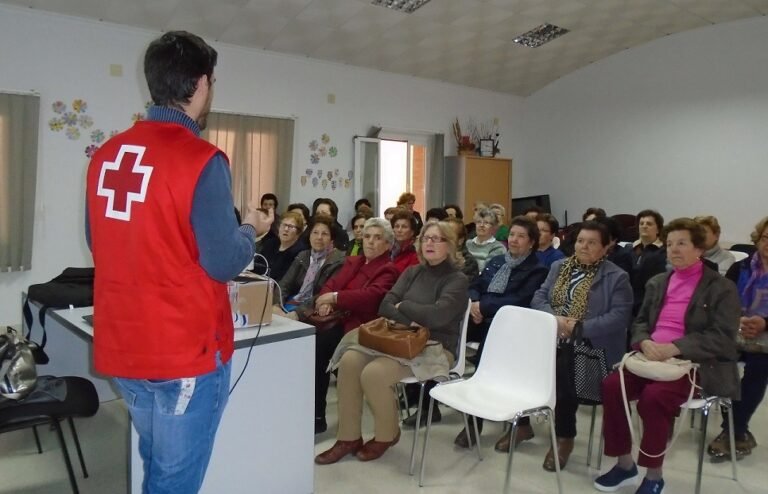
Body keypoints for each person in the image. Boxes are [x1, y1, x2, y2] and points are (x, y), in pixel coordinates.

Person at [84, 31, 273, 494]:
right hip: (182, 353)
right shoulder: (201, 159)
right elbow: (223, 262)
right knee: (174, 482)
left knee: (157, 464)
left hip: (124, 347)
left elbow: (99, 241)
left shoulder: (106, 155)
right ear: (202, 83)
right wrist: (251, 228)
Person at [595, 218, 740, 494]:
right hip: (650, 358)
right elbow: (639, 322)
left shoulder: (721, 288)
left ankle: (654, 476)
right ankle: (625, 465)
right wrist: (644, 341)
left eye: (682, 243)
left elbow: (723, 337)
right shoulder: (658, 282)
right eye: (670, 244)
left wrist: (676, 347)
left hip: (695, 364)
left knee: (654, 397)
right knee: (612, 386)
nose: (674, 249)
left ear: (699, 249)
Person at [315, 220, 468, 464]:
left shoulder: (456, 279)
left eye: (436, 239)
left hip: (434, 346)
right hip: (396, 337)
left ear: (449, 245)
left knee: (374, 374)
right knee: (350, 361)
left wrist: (404, 305)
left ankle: (387, 435)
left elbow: (438, 316)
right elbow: (385, 305)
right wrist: (412, 318)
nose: (429, 243)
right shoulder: (412, 272)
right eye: (426, 238)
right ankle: (348, 437)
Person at [530, 221, 633, 470]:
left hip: (592, 349)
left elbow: (619, 317)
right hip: (553, 335)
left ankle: (564, 438)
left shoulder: (616, 277)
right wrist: (555, 319)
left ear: (606, 247)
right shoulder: (559, 267)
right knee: (517, 357)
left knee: (563, 366)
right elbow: (539, 297)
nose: (583, 246)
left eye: (592, 242)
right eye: (580, 241)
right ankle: (521, 425)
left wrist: (578, 328)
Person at [453, 216, 549, 448]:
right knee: (450, 332)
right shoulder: (497, 261)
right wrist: (474, 304)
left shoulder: (537, 269)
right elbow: (475, 285)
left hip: (515, 327)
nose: (513, 240)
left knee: (485, 366)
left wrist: (483, 307)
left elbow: (520, 299)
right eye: (512, 234)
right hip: (483, 318)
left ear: (532, 242)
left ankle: (481, 424)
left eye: (521, 236)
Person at [311, 218, 399, 434]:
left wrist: (334, 298)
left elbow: (371, 297)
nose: (370, 242)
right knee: (310, 340)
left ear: (388, 244)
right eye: (367, 237)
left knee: (320, 345)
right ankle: (312, 410)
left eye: (377, 238)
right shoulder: (354, 261)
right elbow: (330, 284)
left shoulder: (388, 269)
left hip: (362, 325)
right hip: (337, 318)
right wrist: (325, 301)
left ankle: (317, 415)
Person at [707, 216, 768, 460]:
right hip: (735, 330)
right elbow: (722, 302)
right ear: (758, 239)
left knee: (758, 367)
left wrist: (764, 323)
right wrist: (738, 320)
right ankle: (738, 432)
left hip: (766, 336)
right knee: (721, 363)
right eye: (765, 238)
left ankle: (732, 430)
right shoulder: (740, 268)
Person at [276, 215, 345, 317]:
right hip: (293, 303)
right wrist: (276, 305)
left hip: (313, 311)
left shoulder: (338, 261)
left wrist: (298, 313)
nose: (319, 237)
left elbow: (323, 295)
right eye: (315, 232)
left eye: (324, 234)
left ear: (332, 239)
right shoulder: (303, 255)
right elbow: (285, 284)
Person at [630, 209, 667, 316]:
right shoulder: (629, 249)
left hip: (649, 302)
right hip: (628, 300)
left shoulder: (663, 252)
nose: (644, 226)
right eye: (641, 223)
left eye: (649, 224)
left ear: (658, 229)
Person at [254, 210, 306, 281]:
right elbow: (256, 266)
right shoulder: (270, 243)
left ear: (298, 232)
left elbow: (286, 280)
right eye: (284, 225)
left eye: (290, 226)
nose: (286, 229)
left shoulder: (299, 252)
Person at [466, 207, 506, 273]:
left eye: (486, 223)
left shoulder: (498, 248)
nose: (481, 225)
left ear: (494, 227)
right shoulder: (467, 243)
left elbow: (488, 271)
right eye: (479, 222)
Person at [446, 217, 479, 283]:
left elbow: (457, 285)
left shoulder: (469, 262)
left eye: (449, 236)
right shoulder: (432, 257)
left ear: (460, 240)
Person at [390, 209, 420, 273]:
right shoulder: (388, 250)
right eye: (397, 226)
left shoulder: (415, 256)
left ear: (412, 232)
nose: (399, 230)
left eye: (404, 227)